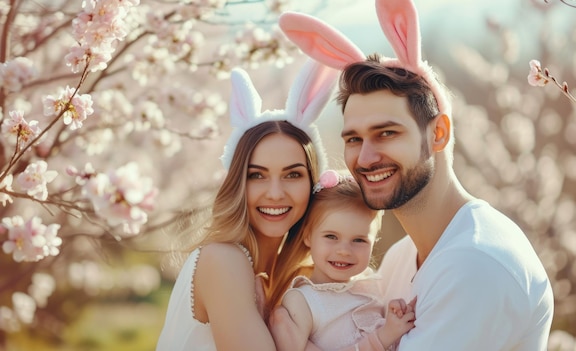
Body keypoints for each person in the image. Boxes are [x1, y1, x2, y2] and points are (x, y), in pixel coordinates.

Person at [273, 0, 555, 350]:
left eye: (387, 133)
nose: (366, 157)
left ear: (438, 133)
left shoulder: (475, 264)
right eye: (353, 139)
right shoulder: (400, 259)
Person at [156, 58, 338, 351]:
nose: (275, 193)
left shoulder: (293, 277)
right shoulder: (223, 259)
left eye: (293, 174)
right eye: (257, 175)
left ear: (313, 182)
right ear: (237, 183)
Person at [277, 169, 415, 351]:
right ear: (308, 236)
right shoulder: (302, 302)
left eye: (359, 240)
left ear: (374, 242)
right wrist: (383, 337)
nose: (343, 251)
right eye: (331, 236)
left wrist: (392, 320)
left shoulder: (370, 285)